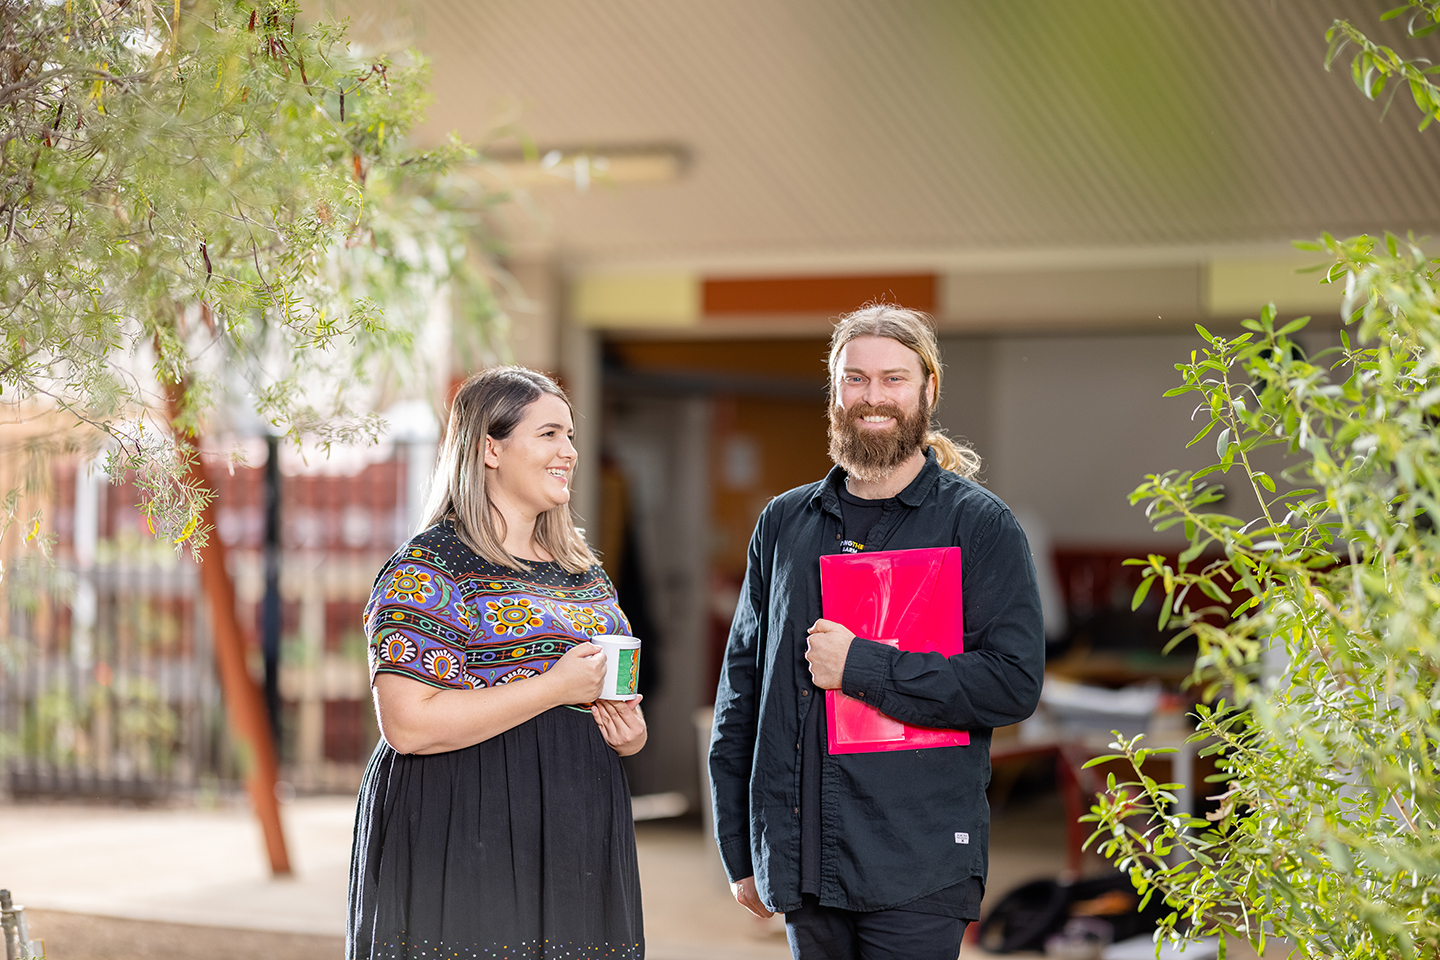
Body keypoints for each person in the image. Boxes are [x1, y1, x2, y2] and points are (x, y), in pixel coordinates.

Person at [708, 304, 1045, 960]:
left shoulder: (979, 526)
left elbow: (1012, 683)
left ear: (928, 390)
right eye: (855, 379)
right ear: (835, 392)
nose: (873, 397)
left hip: (918, 863)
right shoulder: (783, 524)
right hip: (805, 862)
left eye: (894, 379)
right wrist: (740, 846)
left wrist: (861, 666)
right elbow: (741, 696)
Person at [348, 366, 647, 960]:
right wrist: (554, 687)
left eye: (570, 436)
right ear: (490, 448)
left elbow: (614, 701)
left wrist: (629, 734)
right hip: (465, 821)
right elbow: (407, 726)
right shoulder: (428, 567)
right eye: (549, 434)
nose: (569, 452)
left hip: (578, 829)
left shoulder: (584, 573)